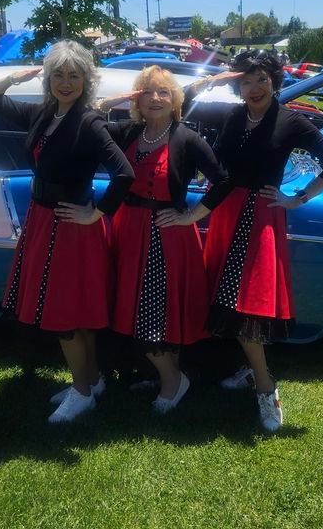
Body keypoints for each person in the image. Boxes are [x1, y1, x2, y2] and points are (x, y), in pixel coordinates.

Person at [183, 51, 323, 432]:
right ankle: (246, 371)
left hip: (258, 217)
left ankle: (266, 388)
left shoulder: (292, 121)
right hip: (224, 211)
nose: (254, 88)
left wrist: (298, 198)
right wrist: (215, 81)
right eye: (246, 80)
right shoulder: (233, 116)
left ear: (275, 80)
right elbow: (183, 113)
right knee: (225, 298)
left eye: (261, 79)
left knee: (246, 303)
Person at [0, 40, 134, 424]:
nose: (66, 83)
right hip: (43, 222)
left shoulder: (88, 121)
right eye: (59, 75)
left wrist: (96, 213)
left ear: (87, 80)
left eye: (74, 75)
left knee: (66, 314)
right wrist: (14, 77)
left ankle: (82, 393)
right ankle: (92, 381)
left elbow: (124, 174)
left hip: (70, 228)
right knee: (74, 313)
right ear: (48, 79)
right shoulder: (43, 114)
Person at [96, 66, 231, 413]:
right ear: (136, 99)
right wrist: (103, 105)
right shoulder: (129, 132)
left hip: (164, 237)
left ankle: (174, 380)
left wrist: (191, 216)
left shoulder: (185, 137)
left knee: (155, 312)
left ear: (175, 100)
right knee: (133, 308)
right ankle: (160, 373)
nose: (155, 99)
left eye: (163, 92)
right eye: (147, 92)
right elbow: (86, 128)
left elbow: (223, 181)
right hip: (128, 232)